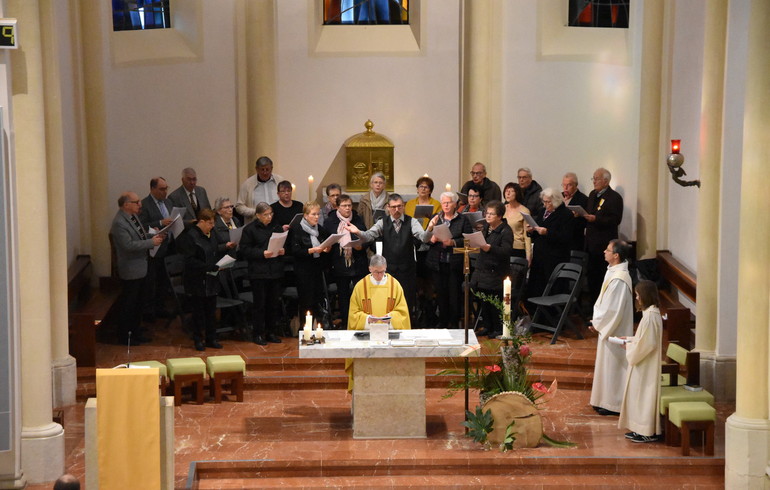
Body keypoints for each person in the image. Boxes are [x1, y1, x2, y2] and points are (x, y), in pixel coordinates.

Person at [344, 194, 429, 320]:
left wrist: (430, 228)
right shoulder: (382, 222)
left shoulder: (412, 221)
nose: (396, 210)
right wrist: (358, 232)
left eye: (399, 206)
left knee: (407, 302)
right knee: (388, 302)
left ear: (403, 206)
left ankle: (407, 330)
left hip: (407, 270)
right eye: (393, 207)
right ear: (388, 207)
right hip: (389, 270)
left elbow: (424, 237)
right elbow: (368, 236)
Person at [110, 192, 165, 345]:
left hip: (141, 266)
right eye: (136, 202)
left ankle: (135, 329)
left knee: (139, 302)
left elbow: (139, 236)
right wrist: (151, 243)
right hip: (131, 269)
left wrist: (153, 236)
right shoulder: (119, 223)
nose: (140, 204)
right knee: (130, 304)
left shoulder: (133, 217)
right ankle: (125, 335)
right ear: (126, 204)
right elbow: (127, 246)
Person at [589, 239, 634, 416]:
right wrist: (597, 321)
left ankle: (614, 403)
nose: (604, 252)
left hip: (616, 329)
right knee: (606, 365)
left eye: (607, 250)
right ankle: (604, 400)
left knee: (614, 366)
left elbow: (613, 308)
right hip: (608, 326)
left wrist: (597, 324)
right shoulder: (614, 272)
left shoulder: (620, 279)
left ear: (616, 255)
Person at [619, 280, 663, 443]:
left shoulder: (651, 316)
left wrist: (630, 347)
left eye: (638, 294)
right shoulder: (651, 314)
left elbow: (648, 344)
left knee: (644, 396)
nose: (637, 298)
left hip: (646, 364)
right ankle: (640, 429)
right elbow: (644, 339)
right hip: (644, 361)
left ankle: (647, 431)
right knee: (639, 396)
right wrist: (631, 340)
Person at [175, 208, 223, 351]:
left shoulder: (211, 233)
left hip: (212, 278)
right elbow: (189, 260)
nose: (212, 226)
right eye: (209, 223)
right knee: (198, 312)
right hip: (197, 280)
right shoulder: (190, 236)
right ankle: (198, 339)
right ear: (201, 221)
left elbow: (215, 250)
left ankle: (211, 338)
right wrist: (208, 267)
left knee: (211, 311)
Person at [239, 202, 286, 345]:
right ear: (258, 215)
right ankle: (258, 334)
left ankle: (271, 332)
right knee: (260, 305)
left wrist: (282, 251)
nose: (269, 217)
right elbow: (244, 250)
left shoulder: (276, 227)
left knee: (273, 304)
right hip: (259, 272)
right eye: (266, 215)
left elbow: (281, 243)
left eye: (271, 214)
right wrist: (261, 253)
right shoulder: (249, 229)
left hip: (275, 271)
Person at [425, 191, 472, 328]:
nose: (446, 205)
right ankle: (442, 321)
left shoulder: (462, 220)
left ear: (455, 204)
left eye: (449, 202)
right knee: (441, 293)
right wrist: (431, 239)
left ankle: (453, 322)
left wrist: (453, 242)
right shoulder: (436, 218)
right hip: (437, 262)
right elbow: (425, 237)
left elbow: (468, 238)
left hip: (454, 262)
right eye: (444, 202)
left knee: (454, 295)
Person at [323, 194, 369, 329]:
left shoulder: (357, 219)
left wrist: (361, 245)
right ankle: (345, 322)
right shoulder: (330, 221)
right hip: (339, 263)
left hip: (358, 262)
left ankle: (360, 322)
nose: (348, 208)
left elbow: (365, 237)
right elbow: (326, 239)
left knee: (359, 294)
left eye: (349, 205)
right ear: (337, 207)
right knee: (343, 295)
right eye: (344, 206)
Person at [470, 201, 513, 337]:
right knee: (484, 300)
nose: (487, 216)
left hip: (496, 272)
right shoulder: (486, 228)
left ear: (499, 216)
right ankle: (487, 326)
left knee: (494, 302)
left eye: (491, 214)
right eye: (486, 213)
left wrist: (490, 248)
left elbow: (506, 251)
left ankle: (497, 328)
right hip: (483, 270)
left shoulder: (506, 230)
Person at [525, 188, 574, 299]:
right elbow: (538, 229)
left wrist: (547, 232)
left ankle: (551, 313)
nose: (545, 205)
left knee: (552, 288)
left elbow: (566, 237)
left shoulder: (566, 215)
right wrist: (532, 231)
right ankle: (535, 311)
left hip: (554, 257)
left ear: (556, 201)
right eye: (544, 201)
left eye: (548, 202)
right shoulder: (543, 212)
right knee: (537, 285)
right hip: (540, 256)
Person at [584, 167, 624, 301]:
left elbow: (615, 220)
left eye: (597, 179)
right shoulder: (592, 195)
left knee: (602, 277)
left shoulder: (614, 198)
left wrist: (596, 219)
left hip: (604, 244)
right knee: (592, 277)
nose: (594, 182)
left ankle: (603, 305)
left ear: (606, 181)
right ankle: (593, 306)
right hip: (590, 243)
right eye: (593, 178)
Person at [289, 202, 332, 324]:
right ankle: (305, 329)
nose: (317, 217)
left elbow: (326, 243)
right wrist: (312, 250)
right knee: (306, 301)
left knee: (317, 299)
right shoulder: (297, 229)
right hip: (303, 270)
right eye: (313, 214)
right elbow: (295, 251)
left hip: (318, 268)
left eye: (318, 214)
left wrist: (327, 249)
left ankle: (318, 328)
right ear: (306, 216)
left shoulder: (320, 229)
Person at [139, 176, 174, 320]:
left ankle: (161, 307)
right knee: (151, 281)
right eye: (161, 189)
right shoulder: (145, 204)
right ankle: (149, 311)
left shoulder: (168, 202)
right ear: (152, 189)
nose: (165, 192)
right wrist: (160, 222)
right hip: (153, 249)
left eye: (166, 188)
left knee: (163, 281)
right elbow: (141, 225)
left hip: (169, 246)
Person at [347, 254, 411, 330]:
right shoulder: (360, 286)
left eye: (382, 272)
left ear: (386, 268)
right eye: (376, 272)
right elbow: (353, 314)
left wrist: (391, 319)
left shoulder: (395, 285)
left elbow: (402, 313)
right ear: (370, 269)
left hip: (389, 332)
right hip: (368, 333)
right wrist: (367, 319)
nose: (379, 275)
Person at [236, 156, 284, 224]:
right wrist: (256, 212)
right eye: (262, 169)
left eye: (267, 169)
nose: (265, 172)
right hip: (256, 223)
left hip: (277, 221)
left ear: (272, 168)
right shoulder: (247, 184)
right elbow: (239, 206)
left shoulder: (280, 181)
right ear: (257, 169)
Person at [502, 182, 532, 262]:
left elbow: (527, 235)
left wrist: (529, 256)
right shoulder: (502, 208)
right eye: (506, 191)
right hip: (503, 246)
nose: (507, 193)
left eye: (511, 191)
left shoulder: (524, 211)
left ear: (517, 193)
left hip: (517, 248)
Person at [562, 172, 589, 252]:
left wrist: (577, 216)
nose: (565, 188)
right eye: (563, 185)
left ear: (575, 185)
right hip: (559, 239)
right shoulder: (559, 197)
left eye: (569, 185)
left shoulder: (583, 199)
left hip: (573, 240)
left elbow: (585, 221)